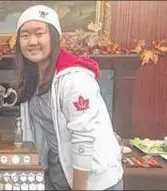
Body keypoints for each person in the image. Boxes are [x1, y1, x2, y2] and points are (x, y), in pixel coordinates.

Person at [15, 5, 124, 190]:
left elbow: (83, 139)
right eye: (25, 36)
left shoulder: (75, 79)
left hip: (91, 180)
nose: (32, 41)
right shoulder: (31, 79)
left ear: (54, 37)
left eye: (39, 33)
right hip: (58, 173)